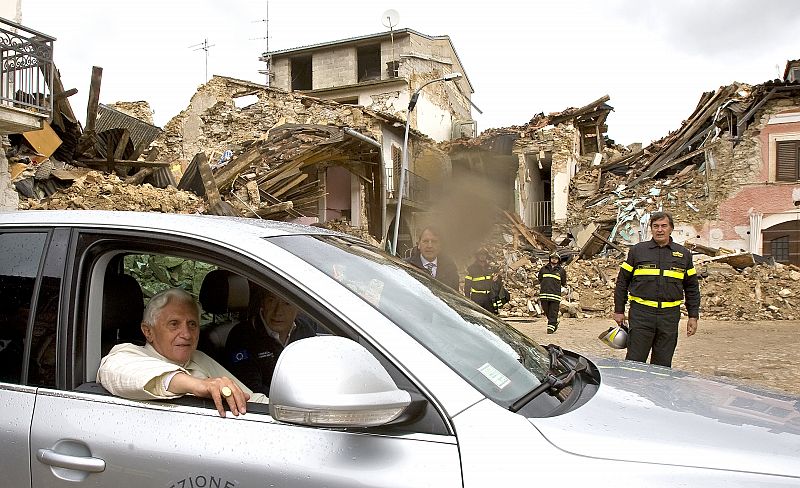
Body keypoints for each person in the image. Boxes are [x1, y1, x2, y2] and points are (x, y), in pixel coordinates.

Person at [97, 288, 267, 418]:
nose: (186, 334)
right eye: (174, 324)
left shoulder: (198, 358)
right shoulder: (125, 355)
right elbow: (119, 373)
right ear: (148, 331)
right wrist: (199, 385)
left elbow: (251, 399)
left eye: (192, 324)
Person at [613, 211, 700, 367]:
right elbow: (622, 282)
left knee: (663, 365)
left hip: (669, 318)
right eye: (655, 226)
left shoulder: (683, 254)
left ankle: (657, 391)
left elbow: (692, 287)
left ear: (671, 229)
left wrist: (693, 316)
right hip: (641, 315)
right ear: (651, 229)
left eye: (664, 226)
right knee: (634, 362)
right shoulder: (637, 251)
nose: (660, 230)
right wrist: (619, 310)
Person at [224, 286, 316, 395]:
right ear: (262, 303)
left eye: (287, 303)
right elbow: (250, 389)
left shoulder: (306, 329)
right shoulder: (242, 335)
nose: (278, 312)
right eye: (271, 301)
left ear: (299, 308)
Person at [405, 226, 459, 290]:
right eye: (425, 241)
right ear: (419, 245)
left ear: (440, 246)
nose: (429, 246)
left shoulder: (450, 268)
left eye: (434, 241)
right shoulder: (406, 266)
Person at [464, 248, 501, 313]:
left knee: (490, 316)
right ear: (477, 256)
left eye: (484, 254)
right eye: (480, 254)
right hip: (477, 297)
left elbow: (497, 283)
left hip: (488, 298)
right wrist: (468, 299)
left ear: (486, 256)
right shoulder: (471, 268)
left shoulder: (490, 268)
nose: (482, 256)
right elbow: (467, 286)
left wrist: (496, 280)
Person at [538, 252, 567, 334]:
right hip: (544, 294)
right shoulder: (543, 269)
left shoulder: (561, 271)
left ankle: (551, 327)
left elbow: (563, 282)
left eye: (556, 258)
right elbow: (540, 279)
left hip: (555, 295)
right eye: (552, 258)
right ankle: (554, 322)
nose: (554, 259)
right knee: (546, 310)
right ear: (550, 259)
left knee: (553, 311)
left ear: (558, 260)